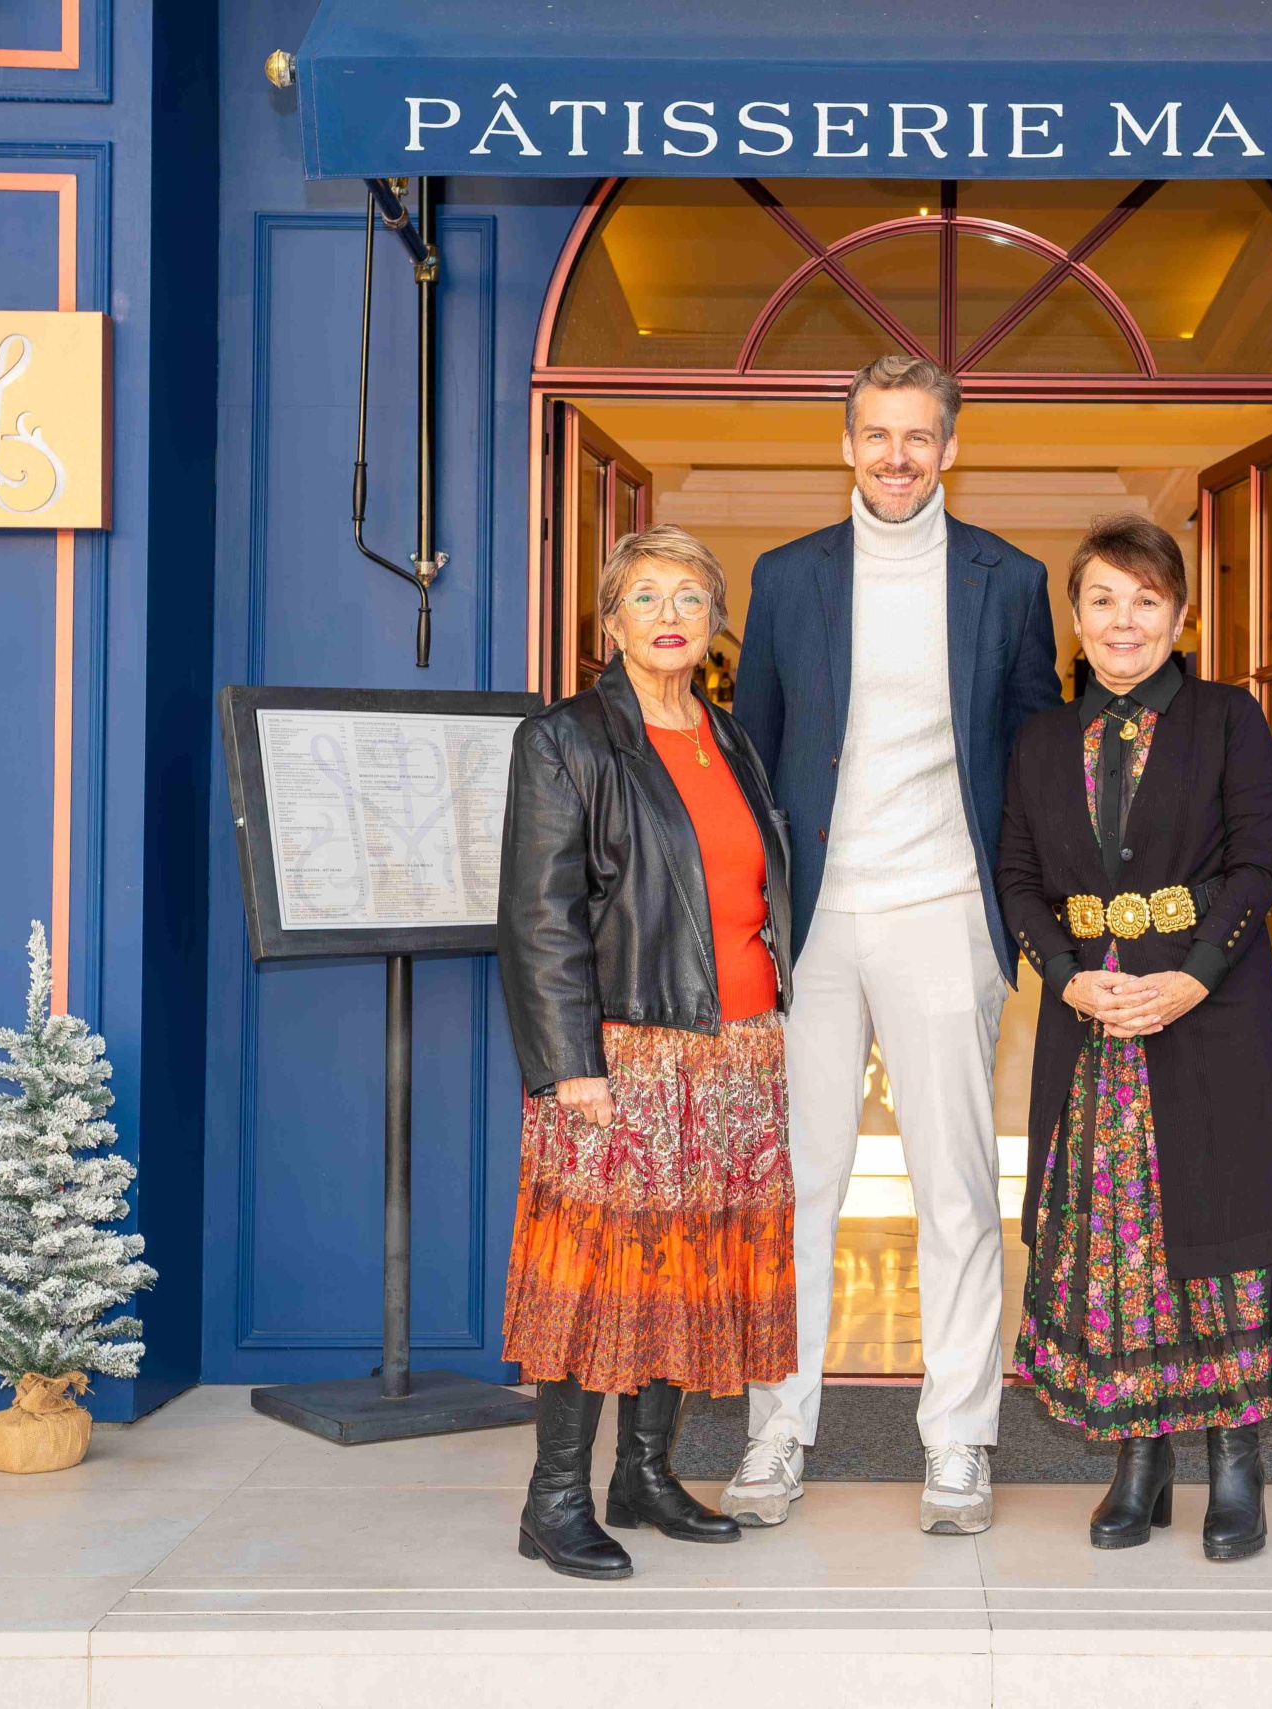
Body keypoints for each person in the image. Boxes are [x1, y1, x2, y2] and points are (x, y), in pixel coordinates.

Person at [727, 356, 1062, 1534]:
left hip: (946, 913)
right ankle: (777, 1433)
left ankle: (960, 1441)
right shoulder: (787, 576)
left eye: (918, 436)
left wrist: (1025, 914)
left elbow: (1033, 759)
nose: (897, 456)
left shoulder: (1009, 581)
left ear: (950, 446)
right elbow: (753, 758)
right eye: (876, 433)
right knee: (798, 1187)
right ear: (846, 443)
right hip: (815, 922)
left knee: (959, 1192)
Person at [997, 514, 1272, 1563]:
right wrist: (1067, 976)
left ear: (1179, 614)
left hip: (1209, 1016)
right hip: (1090, 1027)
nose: (1123, 620)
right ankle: (1137, 1459)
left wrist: (1193, 977)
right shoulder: (1043, 735)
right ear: (1076, 617)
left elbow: (1257, 863)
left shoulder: (1230, 717)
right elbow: (1014, 877)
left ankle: (1236, 1459)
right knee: (1116, 1251)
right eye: (1101, 599)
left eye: (1145, 600)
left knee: (1221, 1240)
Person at [497, 524, 798, 1582]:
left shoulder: (731, 735)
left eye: (689, 597)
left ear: (714, 623)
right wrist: (568, 1062)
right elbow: (538, 917)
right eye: (645, 596)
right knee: (594, 1278)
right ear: (609, 620)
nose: (668, 615)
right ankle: (553, 1498)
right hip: (621, 1049)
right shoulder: (566, 738)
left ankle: (647, 1474)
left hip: (737, 1048)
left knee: (689, 1267)